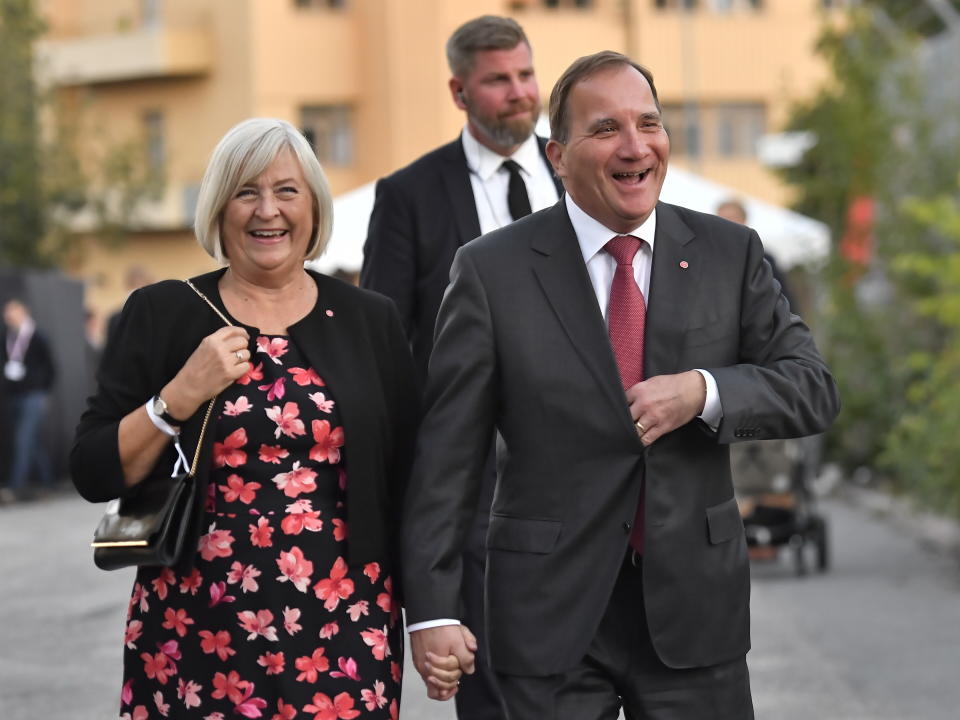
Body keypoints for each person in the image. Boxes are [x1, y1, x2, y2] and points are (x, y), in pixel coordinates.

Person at [401, 51, 841, 719]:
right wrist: (430, 609)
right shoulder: (492, 272)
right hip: (547, 615)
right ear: (557, 155)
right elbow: (447, 455)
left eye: (650, 124)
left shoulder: (731, 253)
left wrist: (703, 391)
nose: (636, 147)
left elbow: (811, 388)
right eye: (606, 128)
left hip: (695, 612)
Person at [71, 118, 443, 719]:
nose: (267, 210)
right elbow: (92, 471)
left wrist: (432, 612)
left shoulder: (369, 319)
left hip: (346, 624)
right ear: (219, 209)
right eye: (246, 192)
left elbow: (412, 482)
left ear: (314, 207)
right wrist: (176, 400)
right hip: (195, 625)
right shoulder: (163, 312)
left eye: (286, 191)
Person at [360, 15, 561, 718]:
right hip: (469, 478)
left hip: (577, 463)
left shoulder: (582, 178)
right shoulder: (408, 195)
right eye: (499, 80)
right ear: (459, 90)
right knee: (488, 682)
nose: (519, 92)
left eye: (527, 75)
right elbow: (381, 343)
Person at [1, 298, 57, 501]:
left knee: (23, 438)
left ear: (23, 312)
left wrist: (41, 390)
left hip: (34, 396)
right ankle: (46, 483)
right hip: (16, 395)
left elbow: (50, 368)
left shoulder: (37, 336)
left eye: (12, 311)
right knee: (33, 442)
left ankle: (15, 488)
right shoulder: (7, 337)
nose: (8, 316)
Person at [715, 198, 797, 311]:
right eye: (721, 219)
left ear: (744, 221)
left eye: (732, 218)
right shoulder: (707, 257)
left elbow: (782, 298)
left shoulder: (764, 257)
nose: (727, 223)